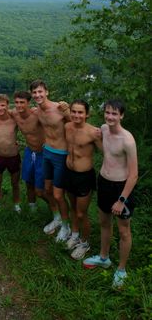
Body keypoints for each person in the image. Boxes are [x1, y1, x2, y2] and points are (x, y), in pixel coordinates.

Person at [83, 100, 138, 288]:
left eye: (115, 114)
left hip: (122, 187)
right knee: (104, 223)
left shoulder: (128, 140)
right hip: (104, 182)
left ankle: (121, 269)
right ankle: (104, 257)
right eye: (107, 113)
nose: (110, 117)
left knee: (124, 231)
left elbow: (134, 174)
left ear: (121, 116)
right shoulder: (104, 129)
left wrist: (122, 200)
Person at [30, 80, 71, 242]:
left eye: (40, 91)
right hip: (47, 152)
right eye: (34, 92)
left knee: (59, 195)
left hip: (61, 154)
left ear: (47, 92)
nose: (37, 95)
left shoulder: (59, 109)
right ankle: (57, 218)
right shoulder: (37, 111)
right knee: (47, 190)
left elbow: (76, 124)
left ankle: (66, 227)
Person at [63, 100, 102, 260]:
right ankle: (75, 234)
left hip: (84, 176)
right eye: (74, 112)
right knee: (73, 207)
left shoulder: (93, 132)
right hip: (69, 172)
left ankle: (85, 243)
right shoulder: (67, 127)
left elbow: (106, 151)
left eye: (80, 112)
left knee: (81, 213)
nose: (76, 115)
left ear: (87, 114)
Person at [11, 91, 56, 215]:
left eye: (22, 102)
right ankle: (32, 207)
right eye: (16, 102)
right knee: (28, 182)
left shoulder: (37, 114)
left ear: (28, 103)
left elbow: (53, 123)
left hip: (43, 153)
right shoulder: (15, 113)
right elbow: (1, 112)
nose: (19, 105)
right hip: (29, 151)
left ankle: (56, 210)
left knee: (41, 190)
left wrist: (64, 107)